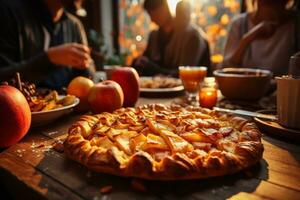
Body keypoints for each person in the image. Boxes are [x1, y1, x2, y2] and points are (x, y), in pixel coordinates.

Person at [0, 0, 95, 89]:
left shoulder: (74, 25)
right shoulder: (8, 11)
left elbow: (88, 77)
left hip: (67, 104)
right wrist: (49, 59)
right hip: (24, 104)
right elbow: (3, 79)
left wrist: (86, 64)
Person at [133, 0, 211, 77]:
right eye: (150, 15)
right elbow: (146, 60)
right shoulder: (154, 36)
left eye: (156, 14)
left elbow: (186, 74)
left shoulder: (192, 36)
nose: (152, 19)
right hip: (156, 88)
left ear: (166, 7)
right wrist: (138, 63)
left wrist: (153, 69)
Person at [223, 0, 300, 76]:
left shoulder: (295, 26)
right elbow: (225, 71)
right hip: (247, 87)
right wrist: (247, 40)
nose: (271, 5)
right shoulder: (240, 25)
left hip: (284, 87)